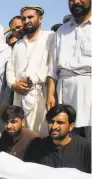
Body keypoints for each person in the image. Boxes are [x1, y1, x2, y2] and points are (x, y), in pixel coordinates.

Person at [6, 5, 54, 136]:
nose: (26, 20)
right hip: (19, 95)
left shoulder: (50, 38)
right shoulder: (19, 45)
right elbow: (10, 69)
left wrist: (32, 79)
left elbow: (51, 66)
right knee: (21, 135)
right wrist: (13, 84)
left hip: (41, 94)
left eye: (30, 17)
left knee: (40, 134)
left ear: (40, 19)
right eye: (24, 18)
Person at [47, 0, 91, 139]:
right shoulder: (61, 31)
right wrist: (50, 94)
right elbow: (52, 68)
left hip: (89, 87)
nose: (76, 2)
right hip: (65, 90)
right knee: (68, 137)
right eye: (71, 0)